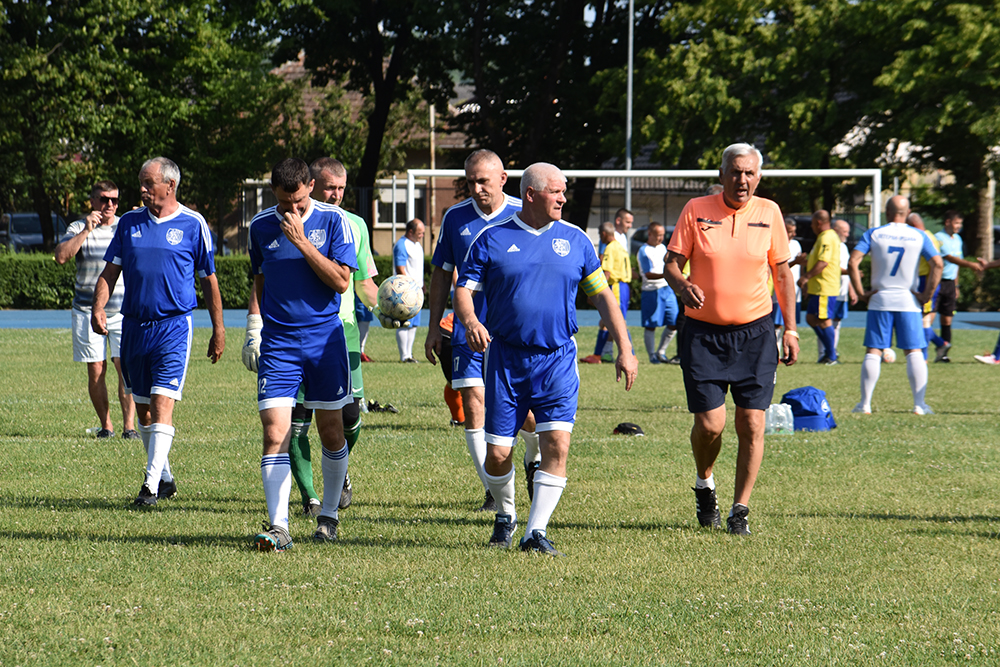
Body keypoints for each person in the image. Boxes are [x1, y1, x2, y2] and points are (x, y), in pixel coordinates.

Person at [455, 162, 638, 556]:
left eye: (564, 191)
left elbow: (603, 296)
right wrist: (470, 321)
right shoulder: (492, 238)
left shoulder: (576, 240)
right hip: (506, 360)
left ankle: (534, 532)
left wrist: (625, 347)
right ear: (531, 194)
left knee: (556, 444)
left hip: (558, 360)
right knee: (498, 455)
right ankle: (506, 514)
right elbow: (464, 289)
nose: (563, 198)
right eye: (556, 191)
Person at [664, 143, 799, 536]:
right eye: (736, 172)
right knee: (711, 425)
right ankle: (704, 484)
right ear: (722, 174)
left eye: (749, 173)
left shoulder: (769, 212)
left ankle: (740, 510)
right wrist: (683, 286)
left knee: (752, 423)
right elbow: (671, 265)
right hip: (702, 335)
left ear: (759, 176)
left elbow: (782, 276)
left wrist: (790, 329)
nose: (742, 180)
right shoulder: (696, 209)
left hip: (755, 334)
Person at [242, 157, 378, 517]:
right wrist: (255, 327)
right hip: (279, 344)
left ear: (310, 188)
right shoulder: (260, 226)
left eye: (299, 202)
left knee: (332, 430)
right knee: (275, 433)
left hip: (325, 340)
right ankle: (280, 525)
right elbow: (260, 280)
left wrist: (302, 243)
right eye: (284, 202)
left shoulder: (335, 221)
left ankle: (329, 516)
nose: (292, 210)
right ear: (273, 192)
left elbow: (342, 281)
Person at [91, 157, 225, 507]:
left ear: (170, 185)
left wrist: (219, 328)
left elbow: (208, 279)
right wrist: (97, 307)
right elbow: (110, 272)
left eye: (149, 183)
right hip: (134, 326)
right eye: (142, 182)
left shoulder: (193, 223)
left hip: (173, 327)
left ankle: (149, 488)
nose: (142, 189)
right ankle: (164, 478)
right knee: (144, 411)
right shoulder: (129, 222)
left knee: (163, 402)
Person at [423, 149, 540, 512]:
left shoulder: (526, 213)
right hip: (467, 328)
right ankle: (494, 490)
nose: (476, 189)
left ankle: (533, 455)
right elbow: (442, 272)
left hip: (513, 330)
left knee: (527, 414)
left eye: (483, 181)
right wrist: (433, 327)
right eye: (470, 182)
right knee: (474, 403)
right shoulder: (455, 217)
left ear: (503, 179)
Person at [54, 181, 137, 441]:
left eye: (114, 199)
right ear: (92, 201)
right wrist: (86, 231)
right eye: (104, 199)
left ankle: (129, 428)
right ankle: (106, 427)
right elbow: (61, 256)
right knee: (97, 369)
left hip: (122, 311)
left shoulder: (126, 226)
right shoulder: (78, 227)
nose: (109, 204)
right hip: (86, 310)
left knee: (126, 368)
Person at [848, 196, 942, 415]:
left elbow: (853, 261)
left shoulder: (874, 233)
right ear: (907, 212)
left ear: (887, 212)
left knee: (874, 350)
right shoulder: (919, 235)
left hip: (880, 298)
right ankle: (919, 405)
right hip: (908, 300)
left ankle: (865, 404)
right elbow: (937, 264)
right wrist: (926, 295)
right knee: (914, 351)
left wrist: (861, 293)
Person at [586, 208, 634, 362]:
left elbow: (606, 272)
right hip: (624, 286)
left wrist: (595, 291)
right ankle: (601, 354)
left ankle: (630, 354)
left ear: (603, 234)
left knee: (617, 320)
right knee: (606, 321)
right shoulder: (620, 246)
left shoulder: (610, 248)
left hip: (616, 287)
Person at [934, 211, 983, 362]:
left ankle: (943, 354)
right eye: (956, 223)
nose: (959, 226)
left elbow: (956, 266)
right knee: (928, 318)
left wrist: (956, 285)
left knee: (947, 320)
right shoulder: (938, 238)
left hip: (949, 283)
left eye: (960, 223)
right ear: (947, 222)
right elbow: (950, 258)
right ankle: (925, 352)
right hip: (936, 282)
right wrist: (971, 265)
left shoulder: (958, 239)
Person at [799, 210, 841, 364]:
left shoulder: (827, 237)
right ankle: (830, 351)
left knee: (824, 320)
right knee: (811, 318)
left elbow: (823, 262)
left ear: (818, 223)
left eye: (812, 223)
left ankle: (832, 356)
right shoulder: (823, 237)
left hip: (824, 287)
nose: (811, 227)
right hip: (817, 287)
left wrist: (806, 277)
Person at [636, 221, 679, 364]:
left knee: (674, 322)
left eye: (662, 235)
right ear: (650, 234)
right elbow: (648, 274)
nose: (661, 238)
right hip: (651, 290)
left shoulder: (662, 247)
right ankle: (652, 355)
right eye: (658, 235)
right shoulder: (644, 251)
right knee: (651, 324)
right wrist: (666, 274)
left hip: (667, 289)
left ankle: (661, 352)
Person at [905, 212, 945, 359]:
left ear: (913, 225)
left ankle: (924, 356)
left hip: (926, 281)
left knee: (924, 320)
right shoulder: (927, 236)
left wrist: (929, 288)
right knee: (918, 319)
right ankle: (940, 343)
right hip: (921, 280)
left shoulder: (924, 237)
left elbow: (936, 265)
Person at [823, 219, 858, 359]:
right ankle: (824, 352)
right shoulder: (830, 244)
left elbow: (845, 269)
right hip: (830, 289)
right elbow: (832, 267)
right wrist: (853, 272)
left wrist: (851, 290)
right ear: (836, 230)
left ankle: (833, 350)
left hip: (842, 291)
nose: (847, 235)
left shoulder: (843, 247)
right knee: (826, 321)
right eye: (845, 231)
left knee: (837, 322)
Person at [393, 218, 425, 362]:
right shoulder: (402, 245)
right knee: (404, 323)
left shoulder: (417, 245)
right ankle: (403, 356)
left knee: (414, 323)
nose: (422, 236)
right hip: (405, 292)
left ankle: (409, 354)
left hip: (417, 291)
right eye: (420, 233)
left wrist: (421, 285)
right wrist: (408, 287)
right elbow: (400, 268)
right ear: (411, 232)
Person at [773, 217, 806, 344]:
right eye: (790, 231)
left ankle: (785, 349)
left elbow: (800, 266)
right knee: (777, 324)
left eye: (794, 231)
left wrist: (803, 281)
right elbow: (778, 268)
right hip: (780, 290)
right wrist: (795, 262)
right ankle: (776, 350)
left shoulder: (796, 244)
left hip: (795, 289)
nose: (793, 234)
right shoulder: (777, 243)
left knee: (790, 324)